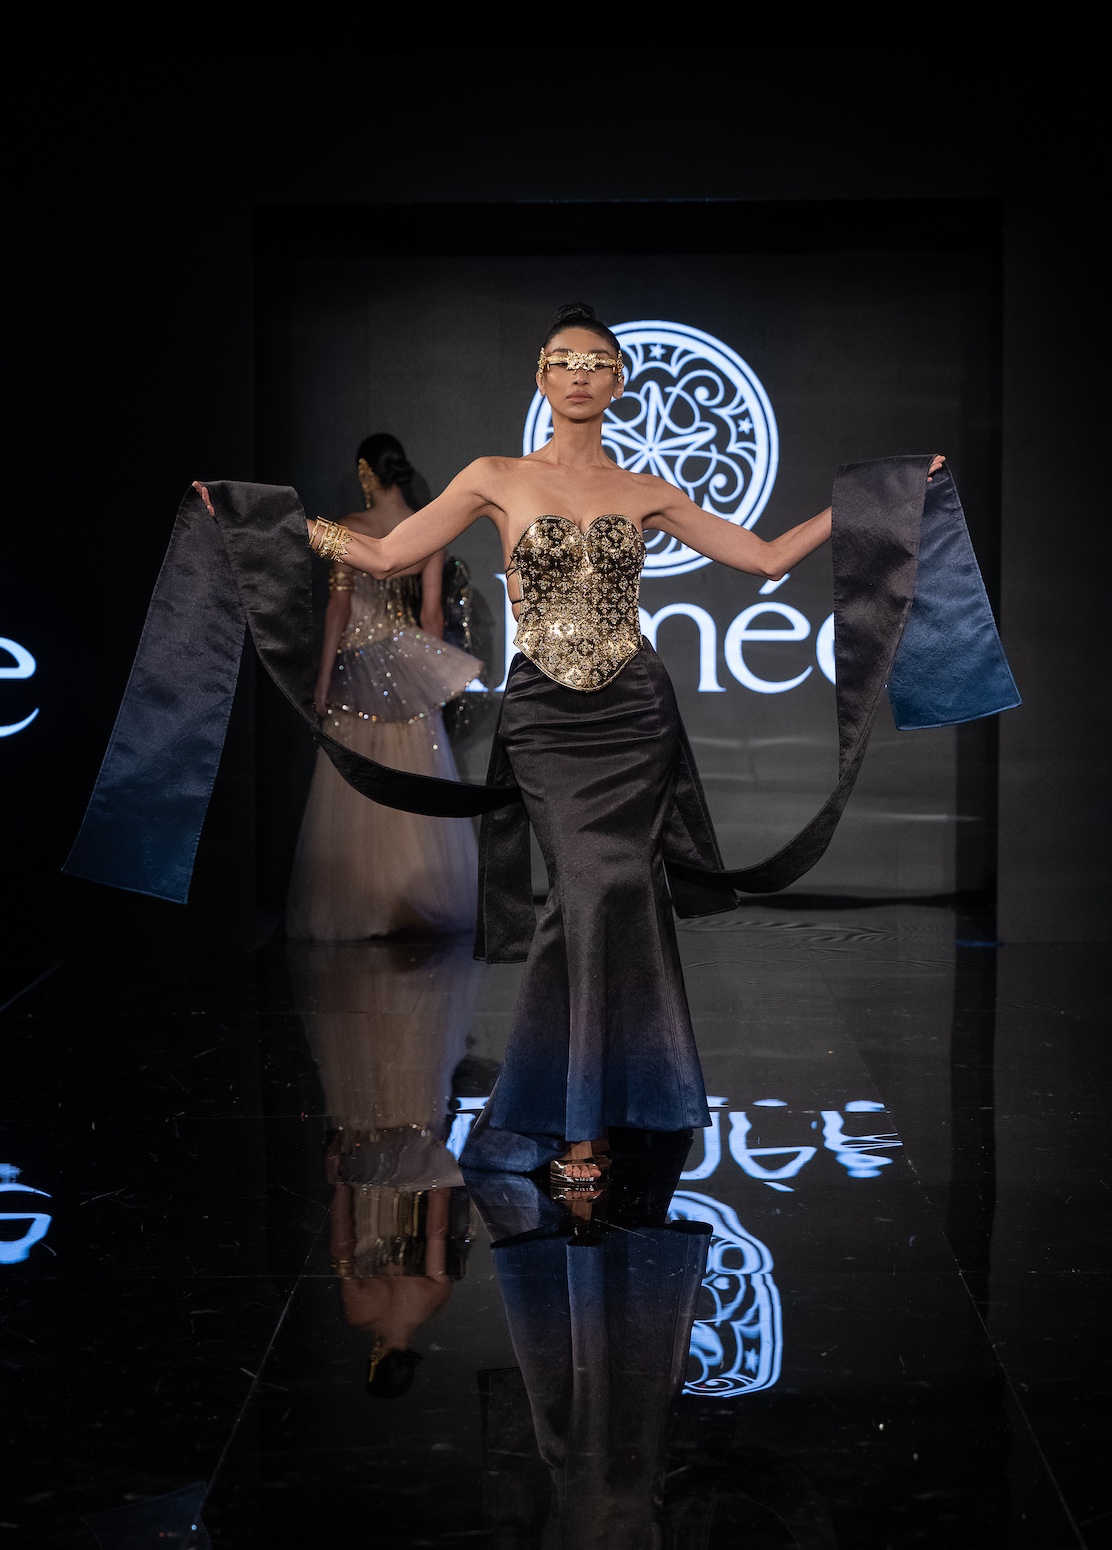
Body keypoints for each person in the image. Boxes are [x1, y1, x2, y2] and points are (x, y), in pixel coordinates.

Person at [281, 306, 947, 1189]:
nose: (580, 373)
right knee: (585, 891)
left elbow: (765, 559)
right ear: (541, 377)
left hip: (634, 715)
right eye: (563, 360)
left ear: (620, 382)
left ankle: (602, 1110)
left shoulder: (646, 490)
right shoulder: (495, 476)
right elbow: (388, 555)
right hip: (546, 717)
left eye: (597, 361)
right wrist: (268, 521)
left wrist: (876, 497)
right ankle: (576, 1117)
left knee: (617, 893)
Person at [286, 433, 482, 940]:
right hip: (409, 662)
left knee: (357, 786)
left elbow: (339, 606)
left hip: (356, 664)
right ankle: (416, 900)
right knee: (415, 779)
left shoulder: (346, 528)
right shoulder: (429, 527)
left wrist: (322, 680)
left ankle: (363, 904)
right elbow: (432, 615)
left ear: (365, 473)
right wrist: (431, 676)